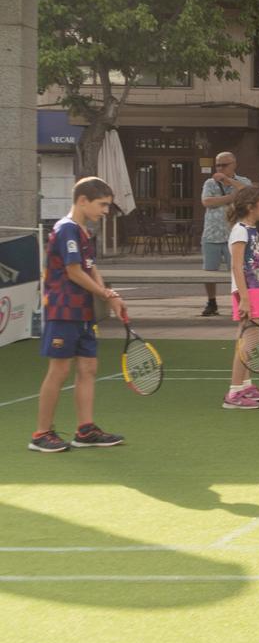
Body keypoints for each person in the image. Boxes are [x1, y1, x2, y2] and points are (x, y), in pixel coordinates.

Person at [30, 178, 127, 453]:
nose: (106, 211)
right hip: (63, 310)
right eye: (102, 205)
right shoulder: (66, 230)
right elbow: (74, 272)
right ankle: (40, 434)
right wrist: (106, 295)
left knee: (88, 368)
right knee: (59, 370)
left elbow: (91, 268)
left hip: (83, 312)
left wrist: (111, 295)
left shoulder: (84, 231)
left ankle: (85, 430)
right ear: (82, 200)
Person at [224, 185, 259, 410]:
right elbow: (236, 266)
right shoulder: (240, 230)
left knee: (248, 340)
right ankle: (234, 393)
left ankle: (245, 385)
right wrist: (244, 298)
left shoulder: (250, 229)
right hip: (247, 291)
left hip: (255, 288)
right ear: (250, 207)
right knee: (249, 341)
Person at [199, 152, 249, 317]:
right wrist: (231, 198)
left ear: (233, 164)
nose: (219, 168)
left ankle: (240, 303)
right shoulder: (209, 183)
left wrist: (228, 182)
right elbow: (207, 201)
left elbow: (248, 194)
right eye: (217, 165)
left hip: (234, 237)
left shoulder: (242, 181)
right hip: (211, 234)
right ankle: (211, 302)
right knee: (210, 272)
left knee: (237, 271)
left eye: (223, 165)